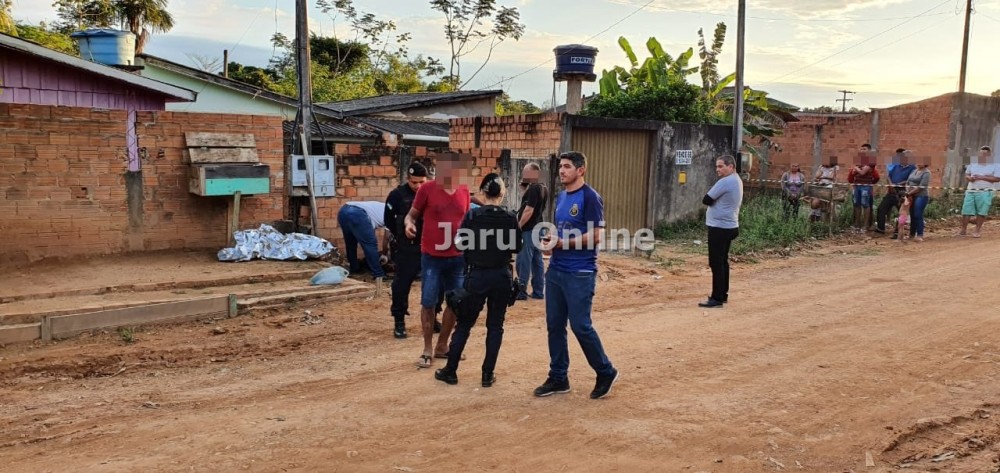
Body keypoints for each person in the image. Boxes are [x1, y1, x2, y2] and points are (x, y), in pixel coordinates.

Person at [533, 151, 619, 400]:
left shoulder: (590, 197)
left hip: (580, 272)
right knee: (554, 326)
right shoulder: (561, 196)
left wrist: (562, 243)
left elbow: (595, 236)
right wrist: (552, 241)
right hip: (557, 270)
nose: (562, 171)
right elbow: (562, 232)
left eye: (567, 166)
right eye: (561, 166)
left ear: (581, 170)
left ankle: (605, 371)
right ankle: (559, 377)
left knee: (581, 326)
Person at [434, 173, 522, 387]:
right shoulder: (510, 217)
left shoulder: (473, 216)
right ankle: (486, 375)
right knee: (495, 326)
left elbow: (458, 244)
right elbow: (517, 247)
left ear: (482, 192)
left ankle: (451, 371)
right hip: (501, 276)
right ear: (502, 194)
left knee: (464, 324)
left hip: (477, 275)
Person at [405, 152, 472, 368]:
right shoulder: (427, 189)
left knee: (455, 302)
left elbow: (467, 220)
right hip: (432, 256)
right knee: (428, 301)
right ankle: (426, 348)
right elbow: (412, 214)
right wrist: (409, 224)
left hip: (458, 257)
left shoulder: (464, 191)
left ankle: (442, 345)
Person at [384, 161, 429, 339]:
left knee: (434, 285)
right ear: (407, 179)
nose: (418, 186)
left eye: (422, 182)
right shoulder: (397, 195)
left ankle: (431, 319)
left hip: (428, 247)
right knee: (401, 286)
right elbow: (388, 221)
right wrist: (402, 236)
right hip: (406, 249)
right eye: (414, 182)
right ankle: (399, 321)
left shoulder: (430, 193)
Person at [699, 155, 744, 308]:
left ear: (731, 166)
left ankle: (717, 298)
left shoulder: (725, 181)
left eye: (721, 166)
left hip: (719, 227)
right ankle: (723, 294)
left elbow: (706, 199)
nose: (717, 170)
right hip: (730, 226)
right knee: (723, 262)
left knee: (716, 263)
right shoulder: (737, 180)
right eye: (717, 166)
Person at [515, 162, 548, 300]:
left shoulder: (534, 188)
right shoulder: (542, 188)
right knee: (537, 260)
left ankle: (521, 291)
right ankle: (539, 291)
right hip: (538, 227)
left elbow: (529, 210)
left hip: (530, 228)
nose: (523, 174)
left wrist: (519, 225)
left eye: (525, 172)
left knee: (524, 260)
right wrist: (524, 189)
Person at [336, 200, 388, 279]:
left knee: (350, 244)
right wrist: (384, 254)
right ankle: (379, 274)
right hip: (358, 214)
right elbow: (387, 238)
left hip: (343, 211)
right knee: (371, 245)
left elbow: (369, 229)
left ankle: (354, 268)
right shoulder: (394, 216)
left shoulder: (383, 207)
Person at [959, 146, 1000, 238]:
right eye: (981, 154)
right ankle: (963, 230)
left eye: (985, 154)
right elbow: (967, 174)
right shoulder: (973, 163)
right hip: (971, 189)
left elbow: (997, 179)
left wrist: (982, 177)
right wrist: (969, 178)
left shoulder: (995, 165)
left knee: (982, 211)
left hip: (985, 191)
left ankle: (977, 231)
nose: (982, 156)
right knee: (966, 210)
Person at [876, 148, 916, 238]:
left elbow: (909, 180)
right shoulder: (896, 165)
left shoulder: (913, 168)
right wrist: (891, 184)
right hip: (892, 190)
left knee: (901, 212)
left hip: (902, 191)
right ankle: (880, 229)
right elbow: (888, 175)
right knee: (881, 208)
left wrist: (897, 184)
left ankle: (898, 232)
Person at [848, 146, 880, 233]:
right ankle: (857, 225)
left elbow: (862, 172)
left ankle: (865, 226)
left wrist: (856, 168)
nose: (862, 150)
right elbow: (854, 173)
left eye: (864, 149)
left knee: (866, 205)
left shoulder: (871, 161)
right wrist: (856, 169)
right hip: (857, 185)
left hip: (866, 186)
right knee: (857, 205)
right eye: (861, 149)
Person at [904, 160, 931, 242]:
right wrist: (907, 191)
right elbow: (907, 182)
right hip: (911, 195)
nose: (919, 163)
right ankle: (911, 234)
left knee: (918, 214)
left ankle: (920, 234)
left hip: (921, 196)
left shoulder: (926, 173)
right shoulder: (914, 171)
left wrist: (909, 193)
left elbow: (921, 187)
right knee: (912, 215)